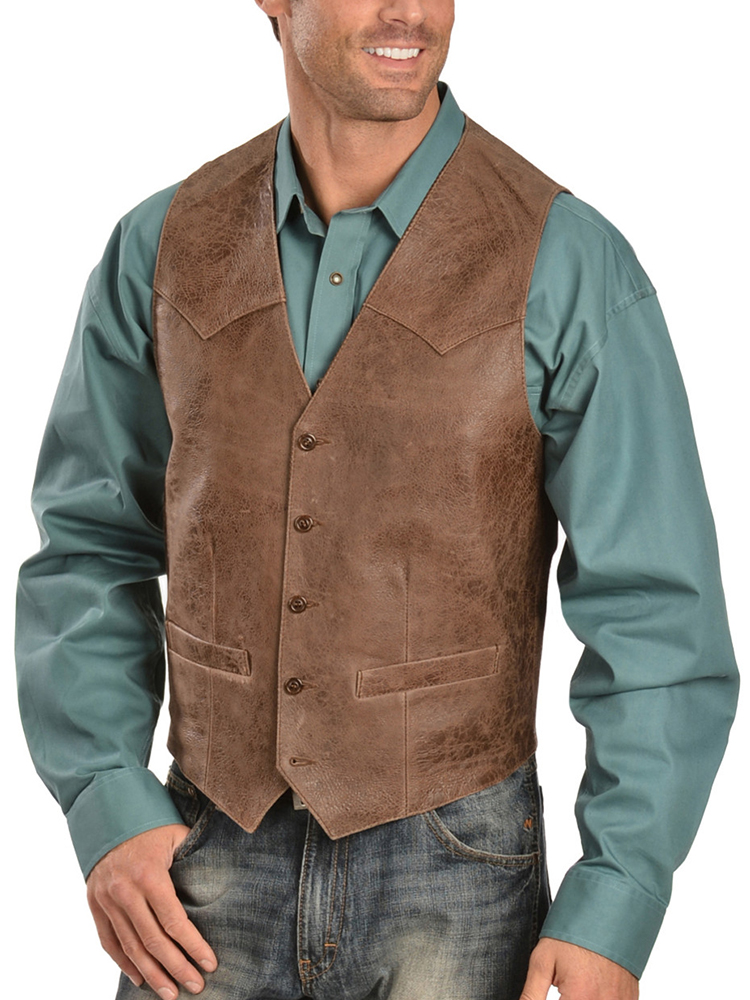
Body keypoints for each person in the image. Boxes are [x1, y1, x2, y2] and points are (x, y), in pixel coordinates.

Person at [15, 1, 739, 999]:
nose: (411, 9)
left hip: (459, 874)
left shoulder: (566, 259)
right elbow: (90, 542)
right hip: (203, 869)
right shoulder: (162, 246)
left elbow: (657, 607)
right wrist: (104, 798)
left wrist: (618, 895)